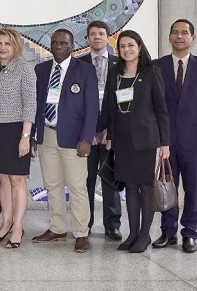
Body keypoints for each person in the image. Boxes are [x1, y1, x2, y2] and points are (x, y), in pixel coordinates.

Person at [31, 29, 99, 253]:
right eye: (54, 43)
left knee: (77, 187)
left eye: (63, 43)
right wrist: (34, 135)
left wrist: (86, 138)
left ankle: (81, 233)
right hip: (47, 134)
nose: (58, 46)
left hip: (74, 138)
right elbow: (35, 105)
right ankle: (57, 229)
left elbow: (92, 108)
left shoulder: (85, 70)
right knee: (52, 185)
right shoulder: (41, 70)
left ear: (72, 46)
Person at [103, 30, 170, 253]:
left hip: (146, 140)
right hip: (122, 140)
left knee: (145, 187)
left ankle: (144, 235)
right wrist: (110, 135)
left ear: (139, 47)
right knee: (130, 187)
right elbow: (110, 107)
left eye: (131, 45)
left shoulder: (152, 72)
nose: (126, 50)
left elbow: (161, 110)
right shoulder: (115, 72)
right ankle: (132, 233)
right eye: (122, 46)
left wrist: (165, 143)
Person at [152, 19, 197, 253]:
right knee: (167, 187)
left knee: (193, 189)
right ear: (169, 37)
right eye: (175, 32)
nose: (179, 36)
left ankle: (190, 234)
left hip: (195, 144)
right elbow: (151, 106)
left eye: (184, 32)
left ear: (192, 38)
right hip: (165, 142)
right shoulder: (156, 66)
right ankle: (168, 232)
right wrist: (158, 140)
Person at [0, 28, 36, 249]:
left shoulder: (24, 68)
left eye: (7, 43)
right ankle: (5, 223)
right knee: (3, 178)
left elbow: (30, 104)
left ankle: (17, 228)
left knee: (17, 180)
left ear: (16, 46)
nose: (2, 47)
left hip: (15, 129)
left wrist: (25, 136)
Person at [78, 20, 122, 241]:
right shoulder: (78, 64)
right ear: (87, 38)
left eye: (101, 33)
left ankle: (112, 225)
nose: (97, 37)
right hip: (85, 135)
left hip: (109, 134)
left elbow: (122, 102)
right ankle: (84, 224)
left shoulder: (119, 64)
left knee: (110, 178)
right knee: (84, 181)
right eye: (93, 34)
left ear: (108, 37)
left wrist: (110, 131)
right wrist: (86, 132)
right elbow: (74, 102)